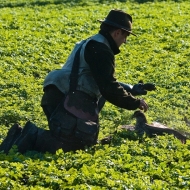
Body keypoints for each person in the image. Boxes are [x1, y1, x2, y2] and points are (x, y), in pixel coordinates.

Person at [40, 9, 156, 152]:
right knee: (74, 145)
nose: (125, 41)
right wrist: (134, 102)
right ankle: (25, 139)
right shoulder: (100, 49)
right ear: (117, 32)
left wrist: (130, 88)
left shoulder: (93, 42)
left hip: (58, 92)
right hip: (65, 96)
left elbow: (98, 79)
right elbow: (108, 88)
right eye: (125, 36)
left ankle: (24, 141)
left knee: (65, 140)